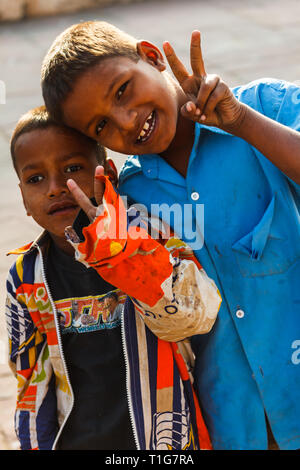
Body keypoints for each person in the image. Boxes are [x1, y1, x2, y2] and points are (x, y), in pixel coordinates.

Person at [40, 21, 300, 450]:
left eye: (123, 90)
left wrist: (242, 122)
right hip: (232, 425)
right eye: (101, 126)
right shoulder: (131, 200)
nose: (127, 121)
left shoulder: (263, 106)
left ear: (152, 56)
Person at [5, 105, 221, 450]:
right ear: (23, 199)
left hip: (164, 439)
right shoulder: (25, 278)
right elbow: (31, 383)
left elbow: (194, 318)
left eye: (72, 169)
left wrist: (121, 256)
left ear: (109, 174)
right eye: (36, 179)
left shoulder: (153, 235)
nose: (56, 188)